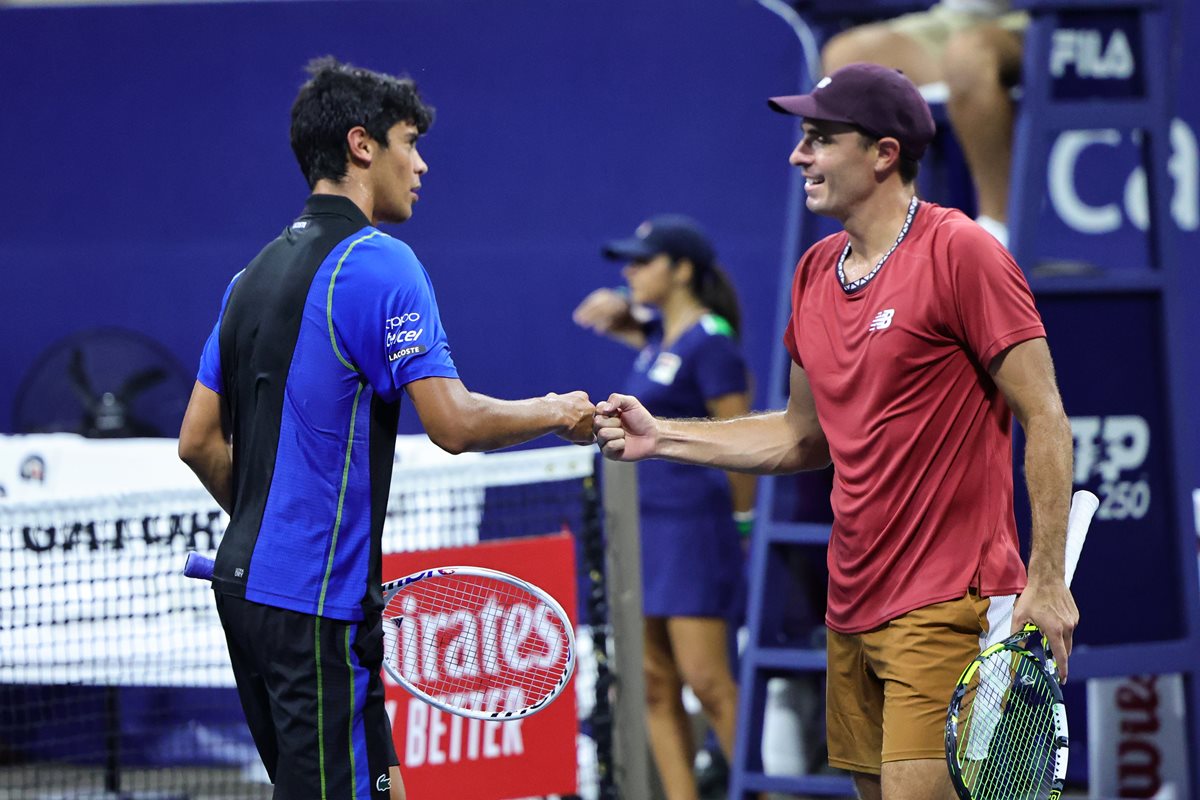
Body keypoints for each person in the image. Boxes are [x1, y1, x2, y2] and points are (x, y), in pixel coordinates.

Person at [593, 63, 1077, 800]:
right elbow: (801, 435)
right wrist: (662, 436)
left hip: (946, 602)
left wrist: (1046, 580)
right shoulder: (816, 271)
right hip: (849, 609)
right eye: (802, 138)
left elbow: (1045, 415)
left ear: (883, 154)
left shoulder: (963, 253)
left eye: (819, 138)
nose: (799, 155)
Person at [177, 57, 595, 800]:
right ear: (362, 145)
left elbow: (198, 442)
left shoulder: (249, 278)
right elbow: (453, 424)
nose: (421, 164)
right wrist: (559, 410)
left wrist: (276, 532)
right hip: (314, 610)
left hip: (248, 590)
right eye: (410, 142)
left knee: (381, 786)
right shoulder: (381, 265)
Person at [573, 216, 755, 800]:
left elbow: (742, 442)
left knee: (708, 682)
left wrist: (743, 524)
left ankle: (758, 792)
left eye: (643, 261)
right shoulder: (659, 338)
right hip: (643, 531)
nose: (630, 271)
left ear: (681, 271)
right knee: (652, 681)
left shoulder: (712, 341)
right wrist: (626, 308)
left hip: (695, 531)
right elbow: (639, 324)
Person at [822, 0, 1027, 245]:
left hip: (1030, 17)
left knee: (968, 57)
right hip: (959, 18)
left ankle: (998, 229)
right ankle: (908, 236)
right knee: (850, 59)